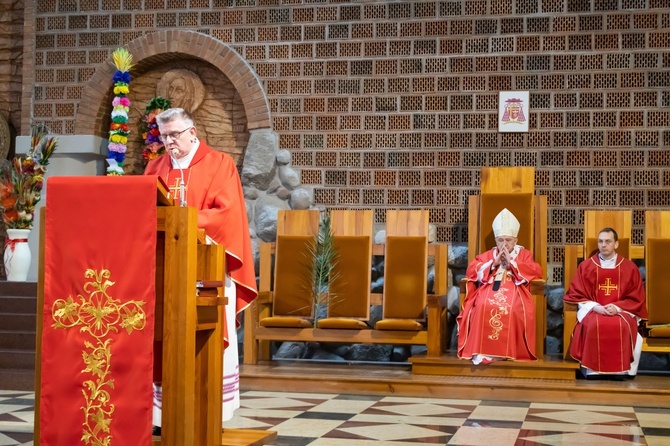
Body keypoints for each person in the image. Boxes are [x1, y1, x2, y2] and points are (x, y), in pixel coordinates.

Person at [144, 108, 257, 430]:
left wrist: (184, 220)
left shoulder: (220, 164)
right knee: (163, 339)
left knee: (207, 338)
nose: (169, 142)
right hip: (165, 272)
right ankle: (161, 416)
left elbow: (227, 214)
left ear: (192, 132)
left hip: (208, 267)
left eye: (175, 135)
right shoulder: (154, 167)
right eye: (164, 136)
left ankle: (210, 412)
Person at [457, 208, 542, 364]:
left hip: (515, 292)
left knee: (513, 309)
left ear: (515, 240)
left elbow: (536, 270)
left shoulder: (524, 255)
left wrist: (513, 264)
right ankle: (483, 351)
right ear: (496, 240)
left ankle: (508, 351)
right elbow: (471, 269)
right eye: (500, 240)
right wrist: (493, 264)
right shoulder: (488, 255)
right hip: (489, 290)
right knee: (481, 306)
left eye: (508, 240)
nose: (504, 244)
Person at [564, 227, 647, 378]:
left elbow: (636, 297)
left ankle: (621, 371)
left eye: (608, 241)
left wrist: (617, 307)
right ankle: (592, 370)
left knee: (622, 325)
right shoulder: (586, 266)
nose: (603, 245)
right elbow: (576, 293)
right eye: (601, 241)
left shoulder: (630, 268)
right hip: (594, 310)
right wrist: (595, 307)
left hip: (620, 312)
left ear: (616, 244)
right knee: (593, 325)